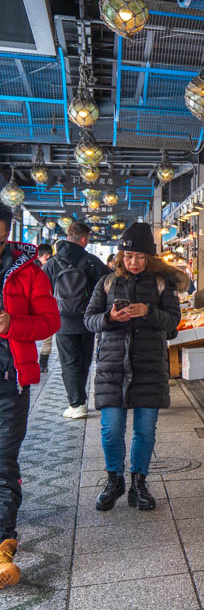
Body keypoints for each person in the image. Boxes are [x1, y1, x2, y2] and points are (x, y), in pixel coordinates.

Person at [84, 222, 182, 513]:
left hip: (149, 367)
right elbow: (89, 320)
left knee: (145, 431)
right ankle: (114, 480)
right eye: (128, 256)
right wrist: (110, 318)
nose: (134, 262)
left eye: (140, 256)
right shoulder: (106, 283)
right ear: (120, 256)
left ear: (149, 257)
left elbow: (173, 323)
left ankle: (139, 483)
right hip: (112, 367)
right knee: (110, 429)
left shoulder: (163, 284)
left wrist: (149, 312)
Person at [0, 206, 61, 589]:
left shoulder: (29, 272)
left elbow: (51, 321)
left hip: (10, 381)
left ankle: (2, 546)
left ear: (6, 234)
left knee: (3, 459)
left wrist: (13, 323)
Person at [46, 222, 110, 419]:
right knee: (83, 361)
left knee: (69, 362)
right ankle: (79, 400)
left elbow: (43, 291)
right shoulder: (91, 261)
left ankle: (77, 404)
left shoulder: (52, 263)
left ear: (68, 236)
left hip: (63, 321)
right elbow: (108, 285)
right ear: (84, 239)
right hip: (87, 320)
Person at [34, 244, 53, 371]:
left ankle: (42, 363)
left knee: (47, 334)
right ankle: (41, 363)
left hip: (43, 305)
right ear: (47, 255)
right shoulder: (49, 267)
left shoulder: (31, 266)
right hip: (41, 304)